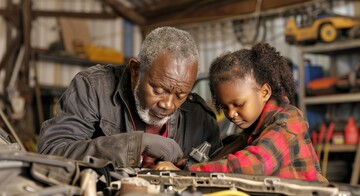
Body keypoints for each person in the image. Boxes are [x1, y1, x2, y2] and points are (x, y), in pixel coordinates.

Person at [38, 26, 222, 171]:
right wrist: (135, 145)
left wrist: (184, 170)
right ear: (135, 70)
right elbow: (52, 152)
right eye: (158, 90)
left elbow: (217, 172)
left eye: (180, 95)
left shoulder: (200, 118)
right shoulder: (94, 88)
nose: (168, 104)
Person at [156, 42, 327, 182]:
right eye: (224, 107)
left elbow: (253, 165)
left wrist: (185, 172)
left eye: (238, 104)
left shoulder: (288, 123)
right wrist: (184, 165)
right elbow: (225, 156)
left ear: (264, 93)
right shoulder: (253, 130)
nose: (231, 114)